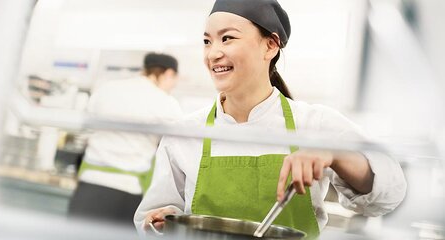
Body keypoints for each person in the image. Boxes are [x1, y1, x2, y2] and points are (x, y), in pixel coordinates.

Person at [134, 0, 407, 237]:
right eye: (207, 41)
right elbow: (154, 213)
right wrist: (163, 219)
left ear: (270, 46)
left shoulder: (315, 123)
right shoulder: (184, 132)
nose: (213, 52)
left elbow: (390, 192)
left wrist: (334, 153)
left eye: (227, 38)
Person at [68, 52, 183, 226]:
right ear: (168, 74)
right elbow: (179, 146)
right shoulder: (166, 104)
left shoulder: (107, 89)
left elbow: (88, 126)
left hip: (89, 185)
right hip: (126, 192)